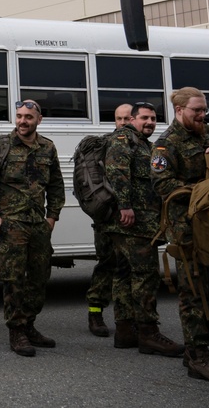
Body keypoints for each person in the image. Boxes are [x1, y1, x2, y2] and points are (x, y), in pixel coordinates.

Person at [151, 87, 209, 385]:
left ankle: (201, 348)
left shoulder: (205, 132)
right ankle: (196, 355)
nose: (202, 115)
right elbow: (163, 186)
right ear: (179, 111)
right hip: (187, 228)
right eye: (196, 111)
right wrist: (203, 192)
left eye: (204, 110)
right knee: (194, 291)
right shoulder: (166, 145)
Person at [0, 99, 65, 357]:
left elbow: (56, 185)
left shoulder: (47, 147)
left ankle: (29, 324)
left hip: (38, 225)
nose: (22, 121)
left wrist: (52, 217)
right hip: (11, 224)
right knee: (13, 279)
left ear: (39, 119)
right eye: (19, 116)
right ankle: (16, 331)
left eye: (28, 116)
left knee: (39, 278)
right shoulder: (0, 146)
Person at [103, 102, 183, 356]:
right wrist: (125, 206)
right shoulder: (123, 139)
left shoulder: (143, 143)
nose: (150, 122)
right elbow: (117, 172)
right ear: (132, 119)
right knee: (145, 276)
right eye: (144, 118)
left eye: (153, 118)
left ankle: (125, 331)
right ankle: (148, 333)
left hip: (138, 222)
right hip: (132, 222)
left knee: (125, 275)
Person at [87, 104, 132, 337]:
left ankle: (126, 319)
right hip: (107, 219)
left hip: (133, 221)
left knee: (129, 268)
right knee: (107, 265)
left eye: (127, 118)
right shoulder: (105, 145)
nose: (123, 122)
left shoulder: (141, 145)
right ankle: (95, 312)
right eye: (119, 118)